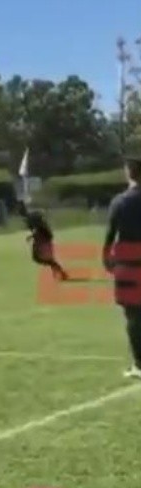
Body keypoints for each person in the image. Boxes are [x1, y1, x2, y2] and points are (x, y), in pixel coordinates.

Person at [103, 158, 141, 379]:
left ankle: (139, 363)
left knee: (133, 316)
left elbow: (110, 234)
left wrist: (106, 259)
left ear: (128, 173)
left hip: (128, 264)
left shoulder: (120, 202)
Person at [16, 200, 68, 280]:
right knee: (41, 257)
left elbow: (39, 227)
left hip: (43, 237)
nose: (18, 211)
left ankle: (60, 271)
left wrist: (32, 236)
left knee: (41, 258)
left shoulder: (31, 217)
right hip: (42, 237)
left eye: (19, 208)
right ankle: (58, 271)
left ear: (23, 208)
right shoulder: (29, 217)